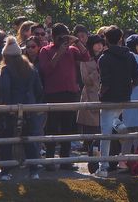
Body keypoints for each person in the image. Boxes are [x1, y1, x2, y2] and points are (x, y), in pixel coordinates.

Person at [38, 23, 90, 171]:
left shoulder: (72, 50)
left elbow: (86, 56)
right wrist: (59, 53)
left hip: (70, 92)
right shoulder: (45, 50)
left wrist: (77, 41)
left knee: (68, 127)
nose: (62, 40)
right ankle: (49, 161)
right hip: (53, 93)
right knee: (52, 127)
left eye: (64, 37)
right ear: (53, 37)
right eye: (59, 37)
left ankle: (65, 160)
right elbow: (46, 70)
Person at [95, 26, 138, 178]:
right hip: (125, 97)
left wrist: (100, 94)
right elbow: (136, 78)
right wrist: (127, 89)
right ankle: (121, 128)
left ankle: (103, 166)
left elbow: (105, 82)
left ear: (106, 39)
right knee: (113, 120)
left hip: (109, 99)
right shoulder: (130, 56)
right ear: (120, 38)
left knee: (105, 133)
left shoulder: (104, 58)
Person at [0, 37, 43, 181]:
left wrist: (6, 105)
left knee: (7, 140)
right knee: (30, 140)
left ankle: (5, 171)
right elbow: (39, 89)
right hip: (29, 108)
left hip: (12, 108)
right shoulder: (30, 67)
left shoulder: (6, 69)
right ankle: (34, 171)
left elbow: (5, 89)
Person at [77, 35, 104, 155]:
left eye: (101, 43)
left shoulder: (105, 58)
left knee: (101, 127)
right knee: (91, 128)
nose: (99, 46)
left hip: (103, 95)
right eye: (96, 43)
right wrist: (96, 71)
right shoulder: (85, 60)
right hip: (90, 95)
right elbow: (85, 80)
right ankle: (90, 152)